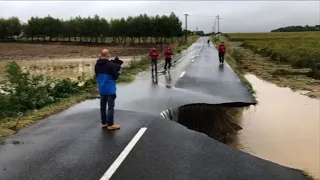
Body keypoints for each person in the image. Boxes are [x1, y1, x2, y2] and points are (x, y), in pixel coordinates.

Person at [95, 49, 120, 130]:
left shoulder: (97, 65)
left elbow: (96, 75)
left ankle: (104, 123)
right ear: (107, 55)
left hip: (101, 88)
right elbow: (116, 76)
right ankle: (111, 124)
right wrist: (116, 67)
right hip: (110, 89)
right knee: (110, 107)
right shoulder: (110, 65)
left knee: (102, 106)